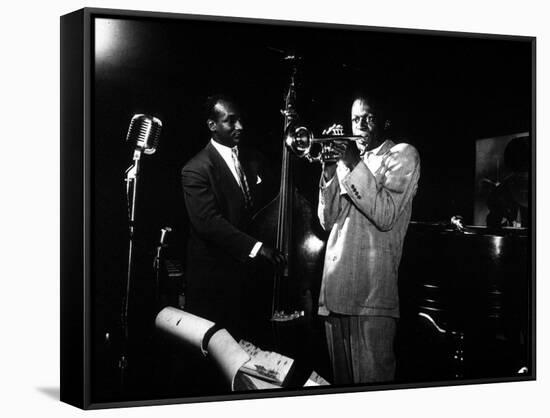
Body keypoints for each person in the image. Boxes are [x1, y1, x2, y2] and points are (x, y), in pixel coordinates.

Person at [317, 94, 420, 384]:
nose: (360, 125)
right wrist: (328, 170)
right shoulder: (347, 163)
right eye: (355, 119)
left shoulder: (403, 155)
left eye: (368, 118)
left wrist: (351, 161)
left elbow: (385, 214)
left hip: (371, 298)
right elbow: (327, 221)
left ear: (384, 121)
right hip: (333, 294)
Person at [181, 95, 285, 341]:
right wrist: (258, 248)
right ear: (212, 125)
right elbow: (209, 224)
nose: (240, 127)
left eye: (240, 120)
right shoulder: (195, 169)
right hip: (214, 286)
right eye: (231, 121)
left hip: (248, 283)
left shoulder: (254, 159)